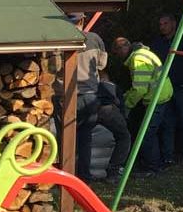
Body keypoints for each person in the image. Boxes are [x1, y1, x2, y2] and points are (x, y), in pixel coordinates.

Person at [111, 37, 172, 176]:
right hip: (162, 93)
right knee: (157, 132)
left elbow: (140, 89)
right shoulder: (143, 53)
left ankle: (151, 168)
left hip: (156, 97)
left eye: (116, 53)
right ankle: (160, 163)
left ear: (123, 49)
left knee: (146, 135)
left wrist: (127, 105)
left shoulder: (137, 59)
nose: (118, 57)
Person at [150, 13, 183, 168]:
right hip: (165, 89)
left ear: (173, 24)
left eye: (165, 23)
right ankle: (168, 158)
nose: (162, 27)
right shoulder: (158, 44)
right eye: (160, 24)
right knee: (167, 123)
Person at [72, 14, 106, 182]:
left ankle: (67, 174)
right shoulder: (94, 39)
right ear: (82, 20)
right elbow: (102, 64)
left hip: (66, 96)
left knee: (66, 138)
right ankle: (84, 176)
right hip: (89, 95)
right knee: (85, 137)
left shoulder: (60, 38)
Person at [97, 80, 131, 180]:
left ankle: (78, 169)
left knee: (83, 136)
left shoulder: (90, 83)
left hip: (89, 104)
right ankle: (114, 171)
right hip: (107, 109)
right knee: (124, 137)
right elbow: (120, 105)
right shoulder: (114, 87)